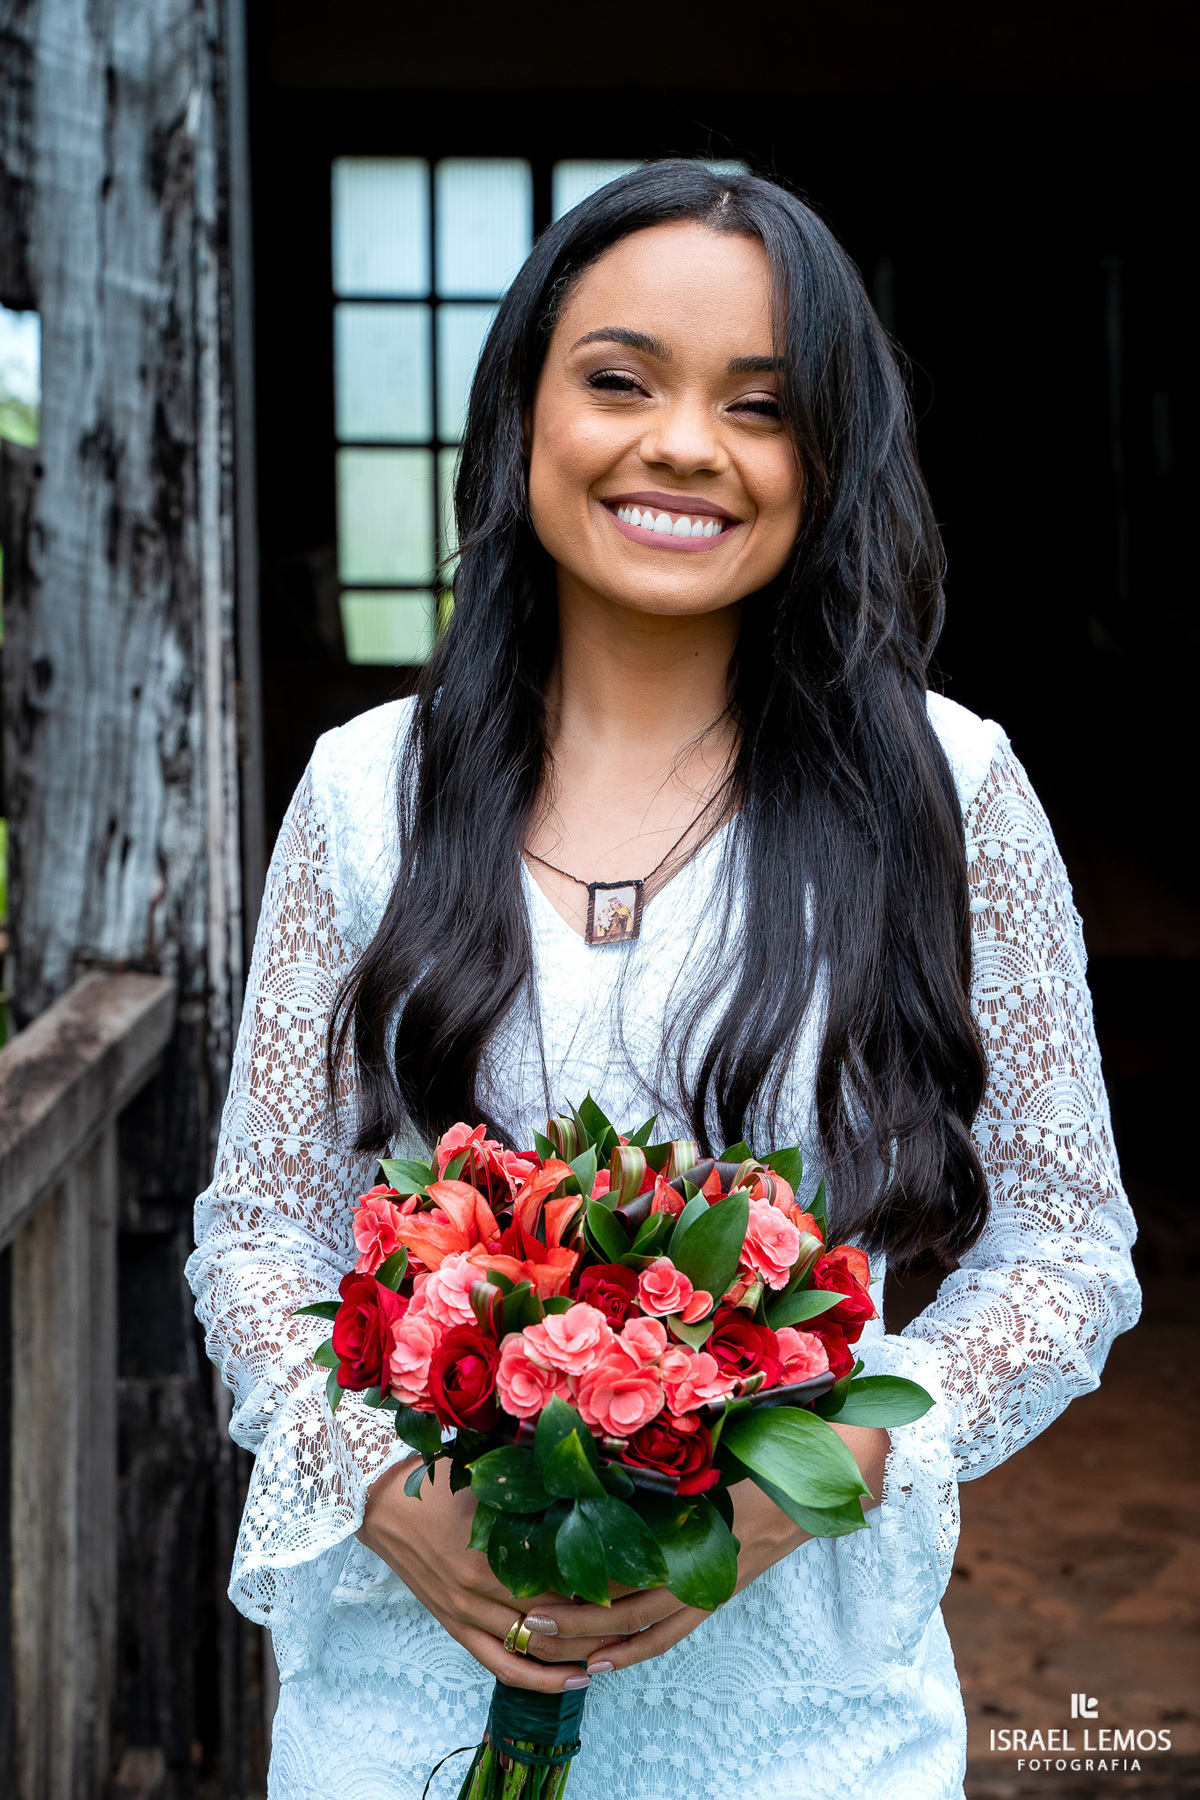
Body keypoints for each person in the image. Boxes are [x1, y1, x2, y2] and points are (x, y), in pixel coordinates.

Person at [188, 163, 1139, 1799]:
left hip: (803, 1717)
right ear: (521, 415)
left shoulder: (947, 785)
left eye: (760, 407)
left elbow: (1064, 1242)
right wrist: (380, 1486)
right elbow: (262, 1228)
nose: (685, 444)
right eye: (620, 381)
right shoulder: (367, 790)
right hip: (410, 1693)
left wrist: (837, 1459)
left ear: (825, 456)